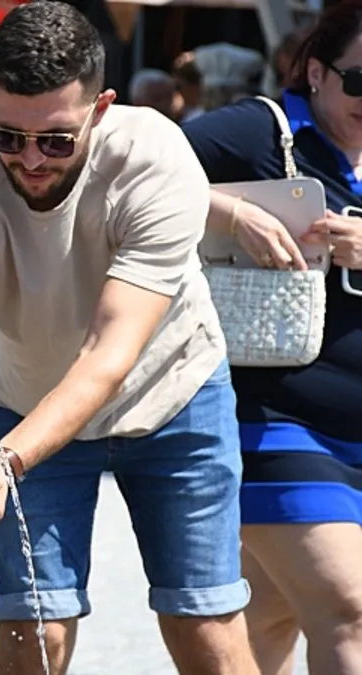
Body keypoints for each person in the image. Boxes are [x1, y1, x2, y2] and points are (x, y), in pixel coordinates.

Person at [0, 3, 258, 674]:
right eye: (8, 137)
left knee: (202, 622)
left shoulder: (153, 156)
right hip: (23, 398)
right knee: (35, 631)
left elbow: (108, 357)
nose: (30, 158)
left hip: (172, 396)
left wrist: (3, 463)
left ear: (101, 109)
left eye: (56, 140)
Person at [182, 3, 362, 672]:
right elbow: (126, 166)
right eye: (359, 81)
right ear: (317, 72)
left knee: (267, 625)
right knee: (349, 606)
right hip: (278, 423)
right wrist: (234, 214)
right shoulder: (265, 131)